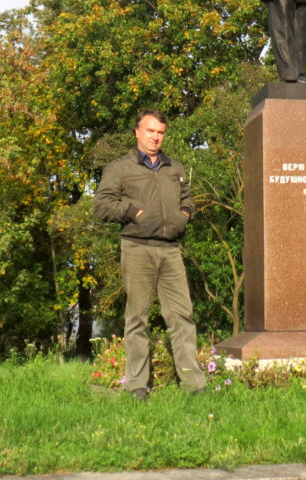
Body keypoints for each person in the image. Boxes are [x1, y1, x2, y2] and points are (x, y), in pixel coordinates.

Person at [92, 110, 206, 400]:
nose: (156, 137)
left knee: (182, 317)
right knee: (137, 319)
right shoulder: (120, 168)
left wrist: (185, 214)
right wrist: (132, 212)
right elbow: (101, 205)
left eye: (161, 132)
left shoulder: (174, 167)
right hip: (137, 248)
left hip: (170, 250)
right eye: (150, 131)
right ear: (137, 133)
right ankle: (138, 387)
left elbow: (188, 198)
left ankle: (194, 386)